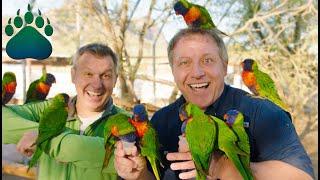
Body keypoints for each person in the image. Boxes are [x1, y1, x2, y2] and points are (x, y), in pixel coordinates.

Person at [150, 28, 315, 179]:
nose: (197, 73)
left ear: (224, 67)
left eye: (207, 60)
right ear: (173, 71)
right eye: (184, 63)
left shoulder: (262, 113)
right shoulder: (161, 121)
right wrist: (138, 173)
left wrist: (223, 167)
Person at [2, 43, 154, 180]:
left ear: (115, 80)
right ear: (73, 75)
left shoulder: (129, 124)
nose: (96, 85)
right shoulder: (49, 110)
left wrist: (47, 139)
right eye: (88, 74)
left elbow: (129, 164)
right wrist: (44, 132)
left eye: (106, 76)